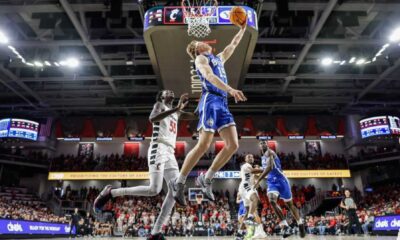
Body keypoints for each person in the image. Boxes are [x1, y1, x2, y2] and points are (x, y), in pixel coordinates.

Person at [93, 90, 196, 240]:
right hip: (158, 148)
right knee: (155, 189)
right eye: (166, 91)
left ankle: (155, 232)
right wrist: (177, 108)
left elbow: (195, 115)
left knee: (175, 191)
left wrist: (206, 102)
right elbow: (152, 118)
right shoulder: (159, 105)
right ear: (161, 97)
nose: (170, 91)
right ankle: (112, 192)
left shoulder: (177, 112)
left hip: (170, 152)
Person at [171, 15, 248, 206]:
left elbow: (233, 45)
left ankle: (207, 179)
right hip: (211, 100)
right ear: (197, 49)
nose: (204, 42)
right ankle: (179, 182)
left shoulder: (218, 58)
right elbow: (210, 77)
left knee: (233, 145)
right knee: (204, 144)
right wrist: (230, 89)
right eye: (200, 42)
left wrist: (243, 29)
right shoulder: (200, 59)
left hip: (222, 103)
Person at [254, 141, 306, 238]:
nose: (262, 144)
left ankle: (300, 224)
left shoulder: (270, 152)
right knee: (271, 201)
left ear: (267, 145)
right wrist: (254, 170)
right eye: (261, 143)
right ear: (259, 147)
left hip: (281, 180)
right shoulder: (262, 157)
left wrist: (259, 179)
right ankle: (285, 226)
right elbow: (265, 168)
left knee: (290, 205)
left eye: (264, 143)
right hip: (271, 182)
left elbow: (270, 167)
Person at [238, 154, 268, 239]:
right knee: (255, 200)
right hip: (245, 187)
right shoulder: (245, 166)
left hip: (247, 188)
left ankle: (239, 233)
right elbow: (254, 171)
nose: (251, 158)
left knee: (248, 212)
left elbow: (257, 179)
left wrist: (260, 171)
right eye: (249, 157)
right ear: (245, 159)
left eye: (252, 157)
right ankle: (253, 223)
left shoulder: (251, 169)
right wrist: (264, 168)